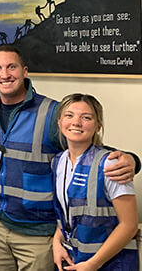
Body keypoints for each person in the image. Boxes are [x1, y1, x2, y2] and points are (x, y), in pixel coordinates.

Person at [0, 45, 139, 271]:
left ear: (25, 71)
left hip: (35, 232)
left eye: (11, 67)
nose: (4, 74)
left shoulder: (51, 112)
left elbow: (86, 145)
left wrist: (132, 160)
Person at [51, 94, 138, 271]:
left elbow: (129, 225)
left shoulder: (112, 164)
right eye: (69, 116)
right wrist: (57, 241)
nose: (76, 122)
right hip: (76, 260)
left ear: (98, 126)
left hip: (111, 263)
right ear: (60, 123)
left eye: (86, 117)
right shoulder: (57, 162)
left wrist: (93, 263)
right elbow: (69, 213)